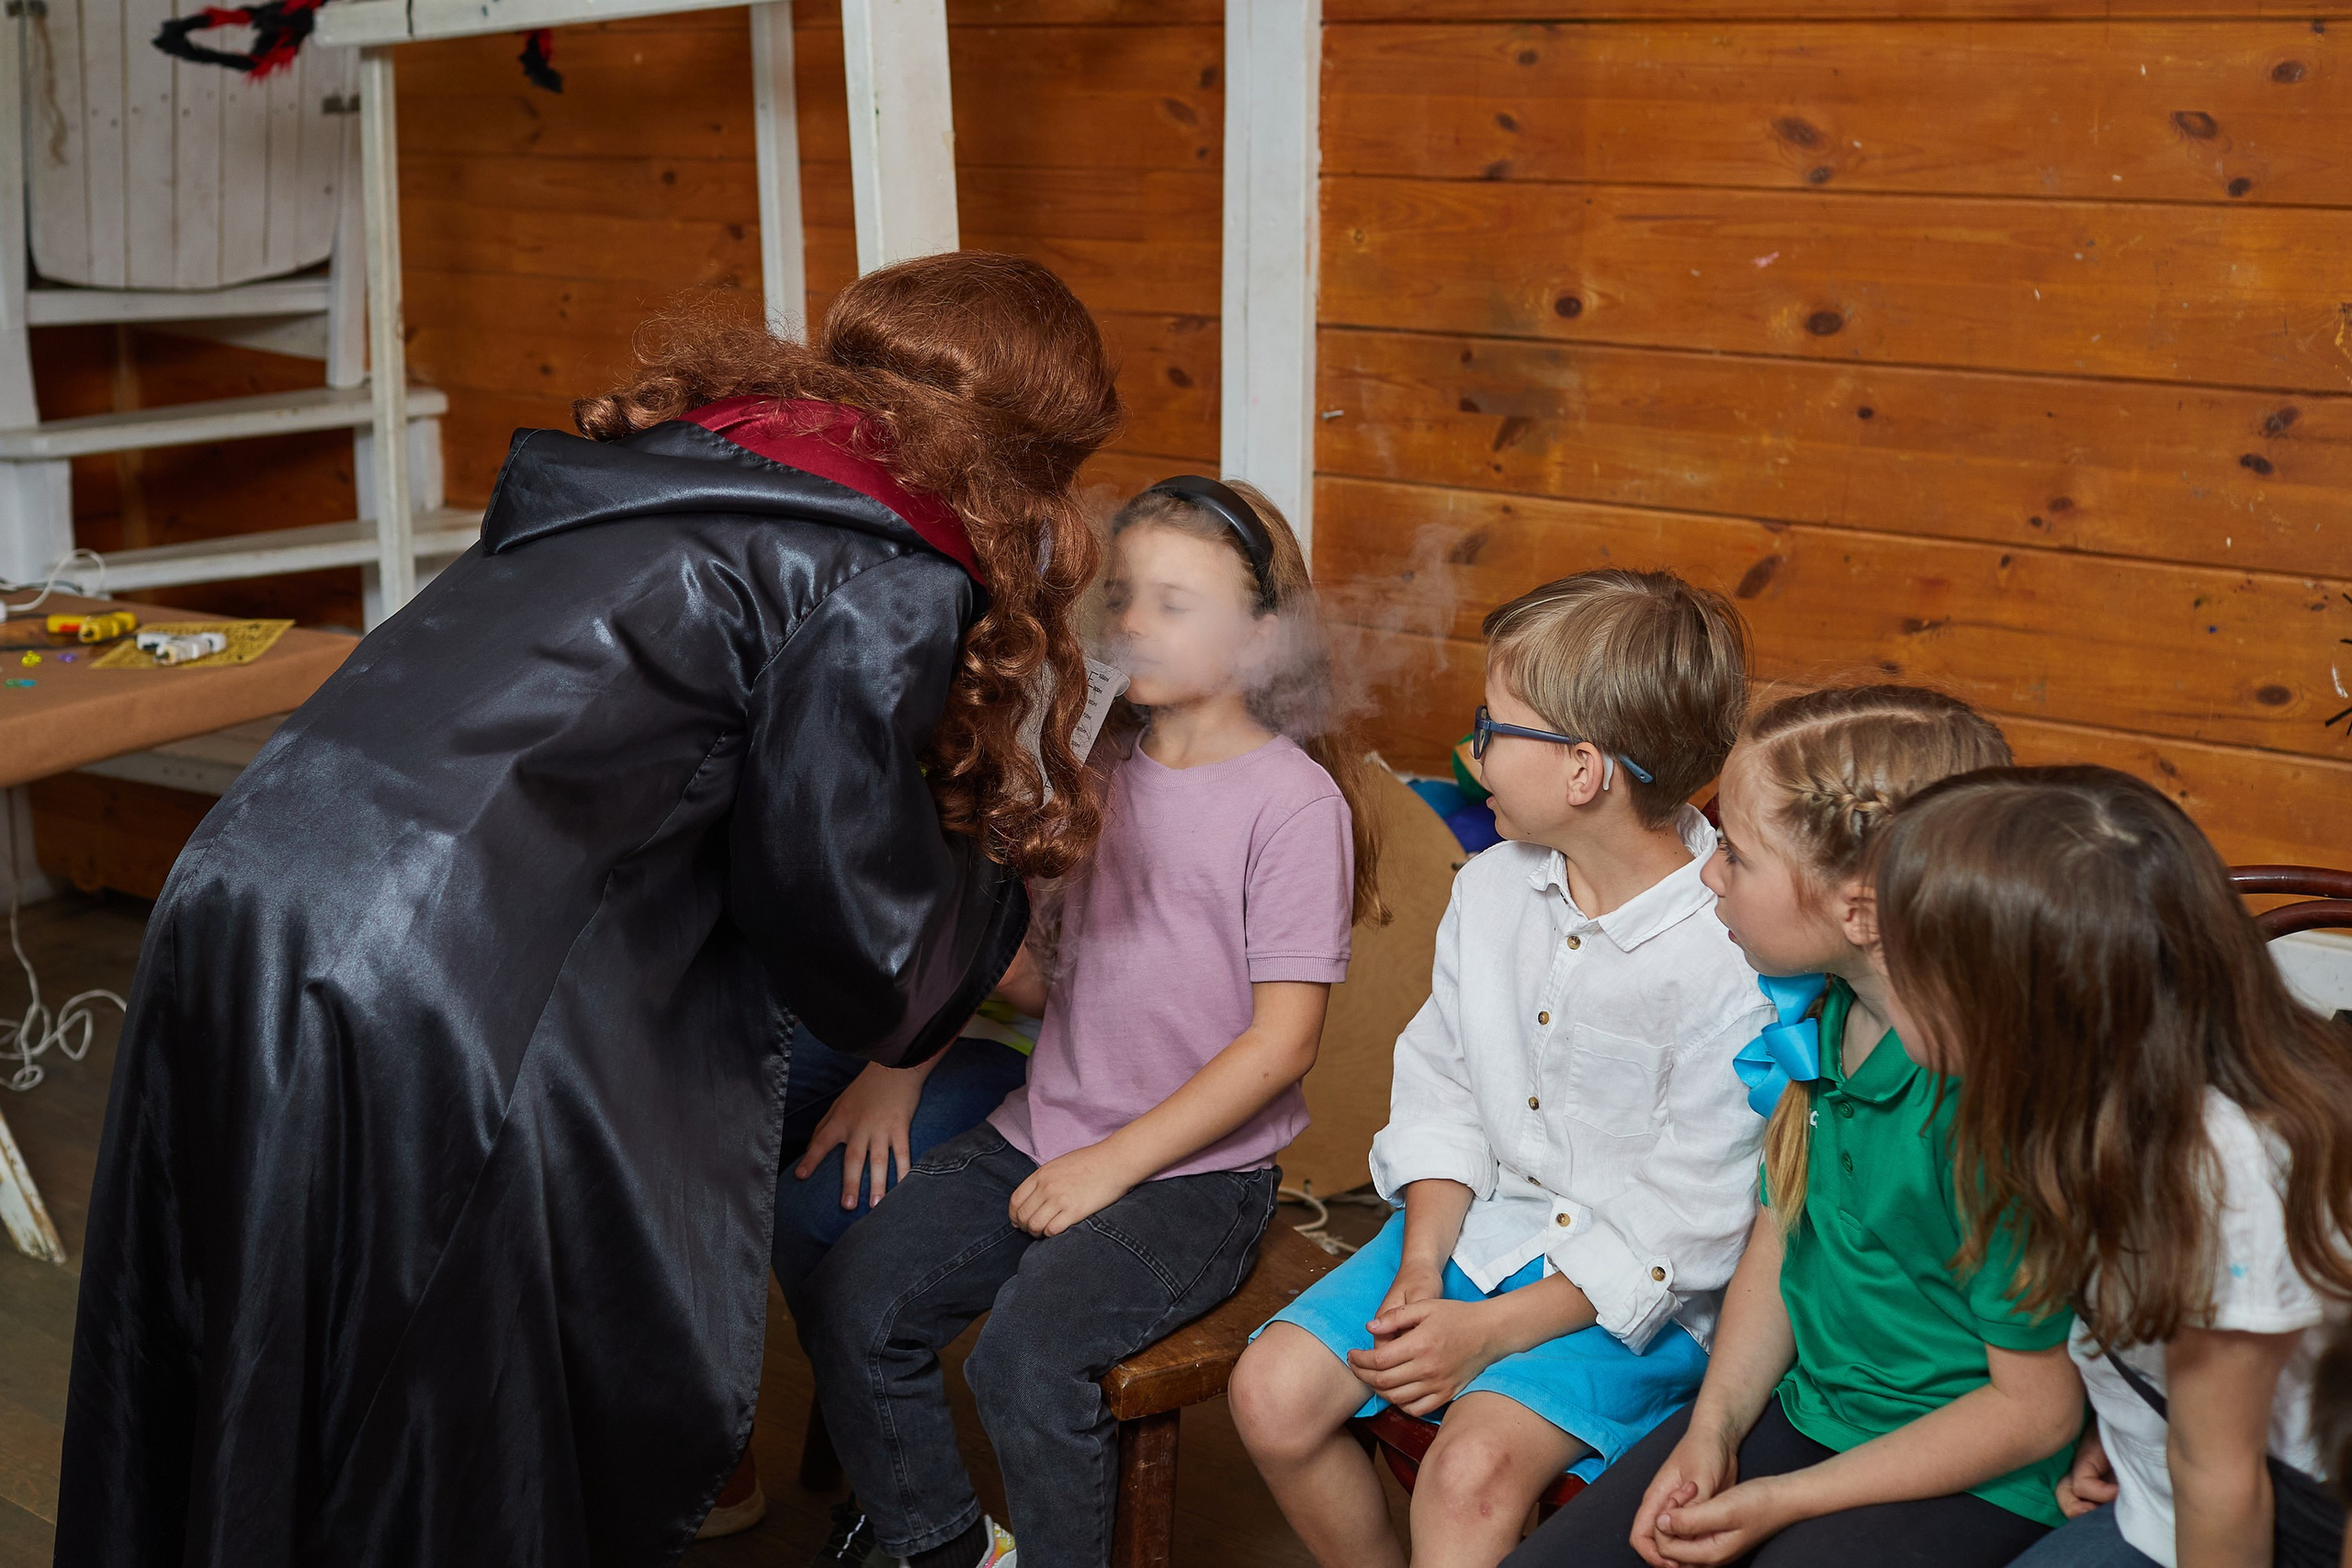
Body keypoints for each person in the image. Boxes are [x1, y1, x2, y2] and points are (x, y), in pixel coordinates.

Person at [54, 252, 1123, 1568]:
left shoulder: (674, 459)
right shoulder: (879, 562)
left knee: (251, 1341)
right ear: (1021, 461)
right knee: (434, 1421)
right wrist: (999, 881)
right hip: (428, 967)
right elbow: (857, 933)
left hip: (242, 887)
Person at [798, 476, 1383, 1568]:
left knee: (1024, 1364)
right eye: (1124, 597)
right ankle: (947, 1550)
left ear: (1265, 636)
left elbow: (1282, 1045)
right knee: (854, 1304)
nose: (1132, 625)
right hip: (1044, 1127)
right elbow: (1042, 982)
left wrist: (1110, 1165)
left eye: (1175, 603)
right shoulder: (1095, 769)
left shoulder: (1292, 805)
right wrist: (978, 849)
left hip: (1193, 1176)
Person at [1230, 570, 1769, 1568]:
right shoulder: (1488, 890)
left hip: (1632, 1294)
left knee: (1469, 1472)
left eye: (1491, 726)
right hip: (1478, 1234)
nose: (1472, 750)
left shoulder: (1731, 954)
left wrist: (1489, 1334)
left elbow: (1690, 1219)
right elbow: (1444, 1089)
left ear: (1583, 771)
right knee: (1271, 1393)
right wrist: (1422, 1263)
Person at [1505, 685, 2082, 1568]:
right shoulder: (1823, 1015)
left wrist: (1782, 1500)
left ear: (1860, 909)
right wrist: (1711, 1430)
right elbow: (1780, 1236)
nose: (1709, 873)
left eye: (1736, 854)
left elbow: (2035, 1411)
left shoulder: (1993, 1112)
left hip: (1977, 1470)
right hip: (1812, 1413)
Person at [1870, 767, 2352, 1568]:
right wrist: (2126, 1416)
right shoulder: (2083, 1084)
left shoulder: (2224, 1175)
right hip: (2155, 1482)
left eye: (1898, 951)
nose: (1878, 961)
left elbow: (2224, 1480)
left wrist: (2170, 1438)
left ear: (2006, 1000)